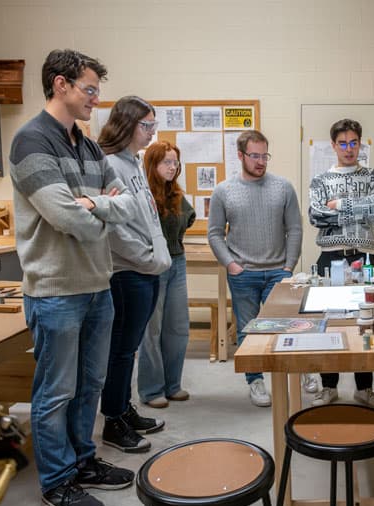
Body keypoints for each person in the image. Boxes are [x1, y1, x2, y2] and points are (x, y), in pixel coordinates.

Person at [10, 49, 136, 506]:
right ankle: (57, 482)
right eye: (89, 89)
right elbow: (66, 217)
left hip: (97, 284)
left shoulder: (87, 145)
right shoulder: (31, 141)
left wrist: (92, 204)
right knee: (56, 392)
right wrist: (96, 206)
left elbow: (126, 204)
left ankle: (83, 460)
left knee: (90, 385)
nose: (96, 99)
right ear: (60, 84)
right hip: (56, 290)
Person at [97, 97, 171, 453]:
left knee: (130, 350)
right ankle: (113, 420)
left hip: (146, 268)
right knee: (121, 350)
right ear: (126, 124)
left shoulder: (134, 162)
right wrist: (144, 257)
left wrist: (153, 258)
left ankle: (124, 409)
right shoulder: (111, 164)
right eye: (146, 125)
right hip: (128, 270)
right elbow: (113, 225)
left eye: (153, 124)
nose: (152, 132)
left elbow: (145, 216)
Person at [208, 130, 302, 407]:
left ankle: (294, 374)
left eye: (265, 156)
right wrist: (230, 264)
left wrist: (288, 266)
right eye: (254, 156)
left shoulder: (283, 188)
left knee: (286, 327)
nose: (261, 162)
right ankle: (255, 381)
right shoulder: (224, 191)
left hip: (278, 271)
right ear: (240, 155)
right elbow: (215, 233)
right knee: (248, 331)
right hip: (243, 273)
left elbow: (295, 229)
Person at [308, 118, 374, 410]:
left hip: (363, 256)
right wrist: (359, 210)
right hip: (330, 256)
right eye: (342, 143)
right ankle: (328, 386)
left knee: (367, 321)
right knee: (329, 323)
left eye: (353, 142)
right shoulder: (320, 180)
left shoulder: (373, 175)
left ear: (360, 143)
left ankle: (364, 389)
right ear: (333, 145)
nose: (348, 148)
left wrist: (339, 205)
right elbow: (316, 216)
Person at [137, 141, 196, 408]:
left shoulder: (176, 194)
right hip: (152, 266)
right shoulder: (143, 194)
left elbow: (189, 217)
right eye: (167, 162)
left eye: (175, 162)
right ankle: (151, 390)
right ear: (153, 165)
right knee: (152, 330)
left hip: (177, 263)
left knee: (177, 327)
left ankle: (173, 385)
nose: (173, 167)